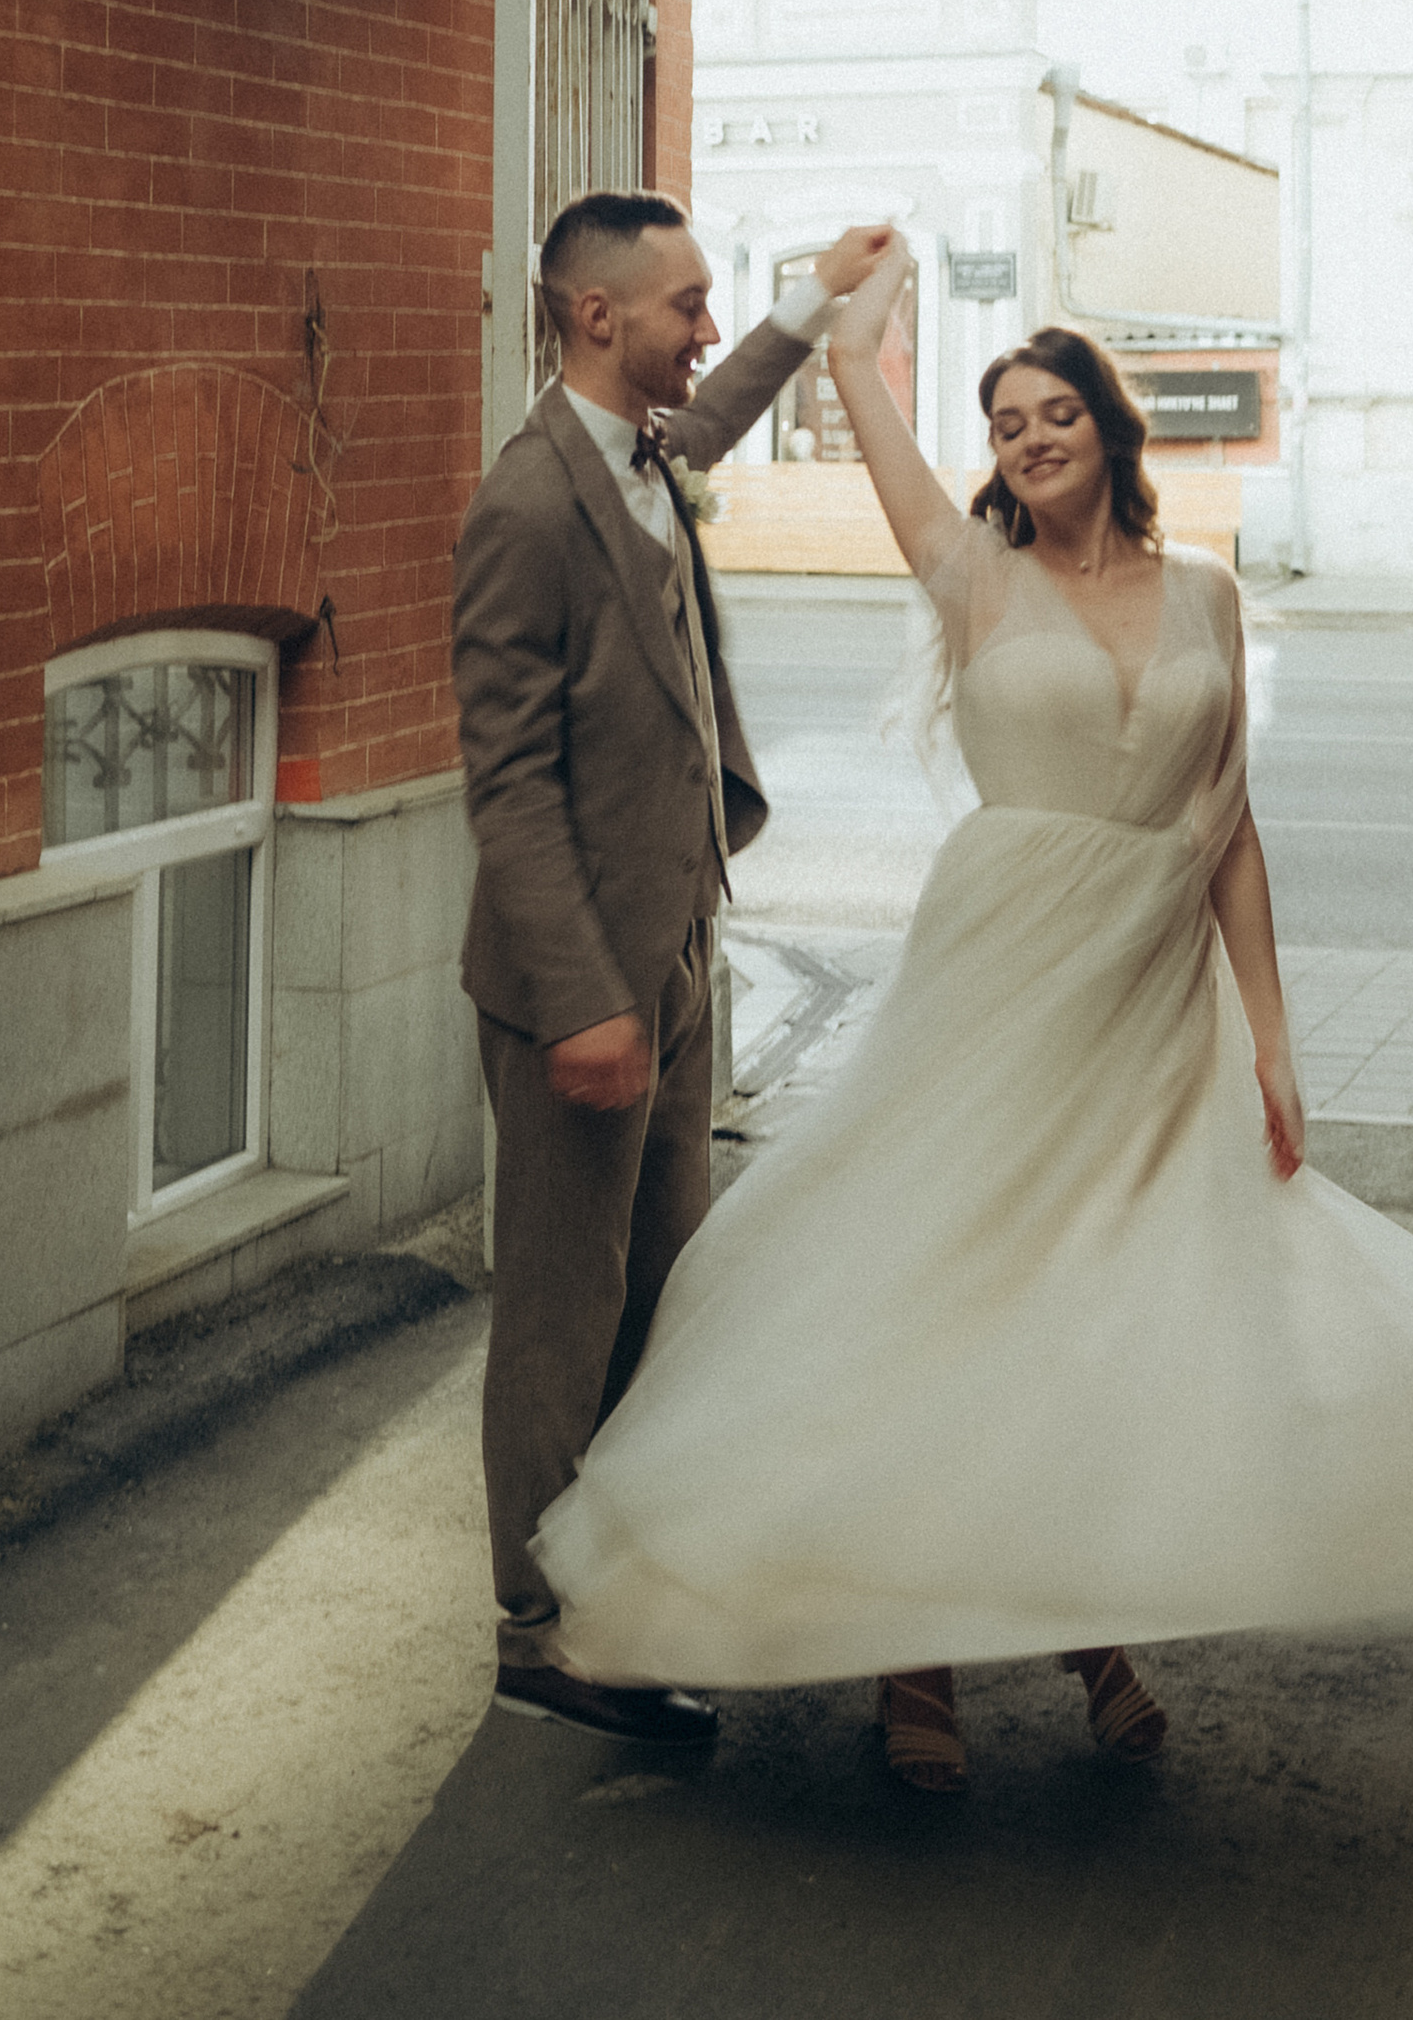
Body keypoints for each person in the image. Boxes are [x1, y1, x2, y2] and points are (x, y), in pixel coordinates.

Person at [534, 238, 1413, 1793]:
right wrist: (852, 327)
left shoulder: (1209, 589)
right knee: (952, 1289)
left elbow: (1232, 831)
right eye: (1004, 421)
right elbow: (879, 432)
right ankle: (918, 1658)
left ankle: (1087, 1621)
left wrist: (1272, 1037)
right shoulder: (971, 575)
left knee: (1108, 1303)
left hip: (1150, 1002)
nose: (1028, 437)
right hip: (999, 986)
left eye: (1052, 408)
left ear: (1108, 421)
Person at [452, 188, 896, 1748]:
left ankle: (624, 1575)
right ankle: (538, 1621)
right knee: (562, 1312)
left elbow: (710, 417)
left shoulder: (637, 448)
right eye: (687, 302)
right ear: (595, 317)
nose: (705, 327)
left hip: (682, 941)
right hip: (579, 985)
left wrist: (813, 303)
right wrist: (582, 999)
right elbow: (504, 780)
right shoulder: (524, 506)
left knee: (662, 1288)